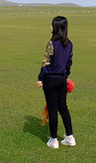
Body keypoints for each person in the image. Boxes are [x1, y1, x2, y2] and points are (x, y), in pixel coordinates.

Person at [37, 16, 76, 149]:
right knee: (63, 107)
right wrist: (65, 76)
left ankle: (54, 140)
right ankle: (70, 137)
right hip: (62, 80)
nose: (50, 27)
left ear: (56, 28)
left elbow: (46, 62)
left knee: (53, 109)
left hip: (50, 80)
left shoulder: (51, 43)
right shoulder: (69, 44)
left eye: (52, 25)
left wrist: (40, 78)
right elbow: (69, 64)